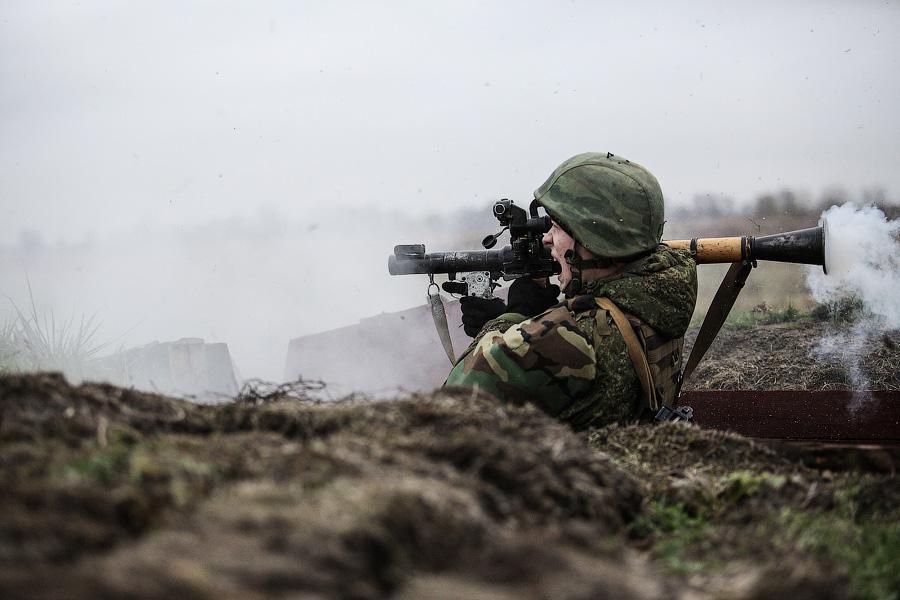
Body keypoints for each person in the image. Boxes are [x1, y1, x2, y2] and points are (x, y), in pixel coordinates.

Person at [444, 152, 697, 429]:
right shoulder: (657, 298)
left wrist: (512, 320)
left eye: (556, 226)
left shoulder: (572, 340)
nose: (547, 238)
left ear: (591, 239)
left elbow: (447, 412)